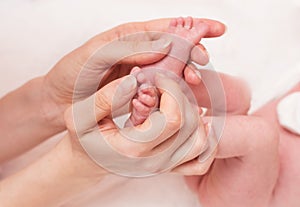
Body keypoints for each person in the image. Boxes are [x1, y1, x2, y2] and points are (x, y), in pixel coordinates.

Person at [0, 17, 280, 207]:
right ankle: (169, 104)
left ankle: (165, 92)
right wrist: (76, 164)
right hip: (262, 177)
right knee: (258, 134)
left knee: (251, 119)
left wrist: (48, 99)